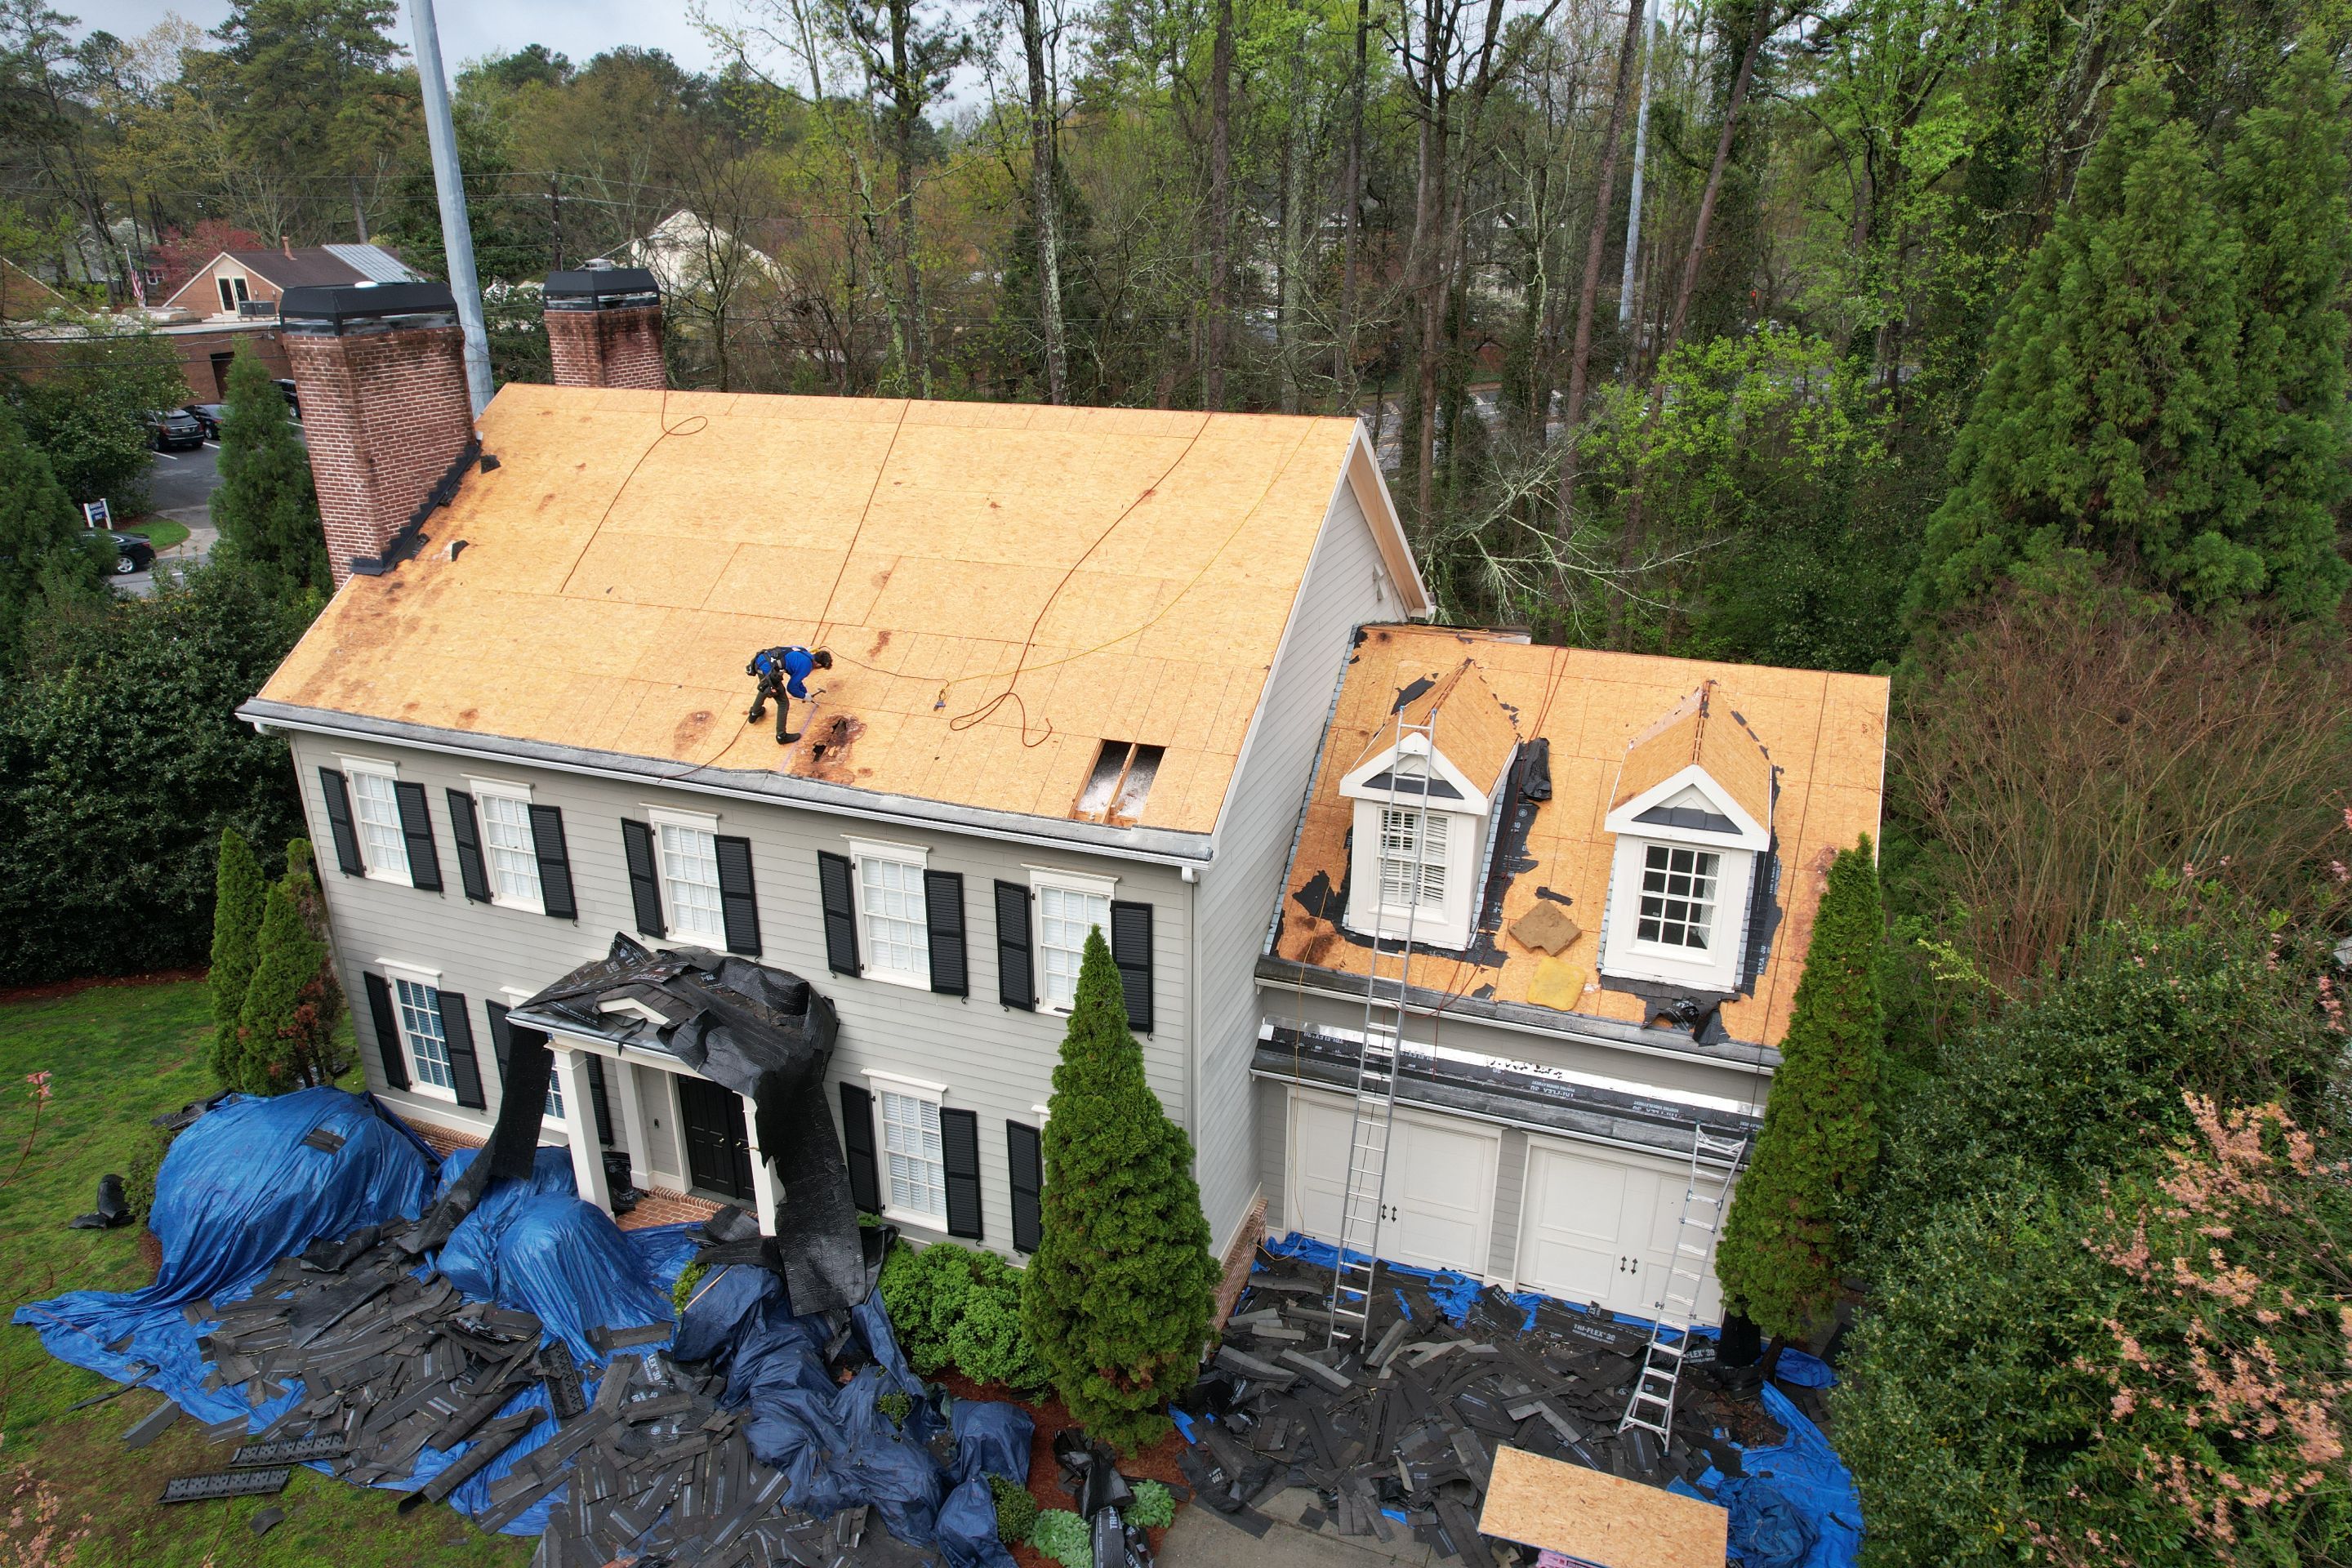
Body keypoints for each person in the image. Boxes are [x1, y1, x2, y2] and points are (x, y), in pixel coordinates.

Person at [746, 646, 832, 743]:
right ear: (818, 664)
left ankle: (755, 712)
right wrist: (803, 696)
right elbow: (791, 688)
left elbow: (796, 678)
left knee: (765, 687)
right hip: (768, 669)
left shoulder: (802, 650)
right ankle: (781, 736)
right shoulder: (807, 666)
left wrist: (804, 692)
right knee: (783, 702)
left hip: (761, 660)